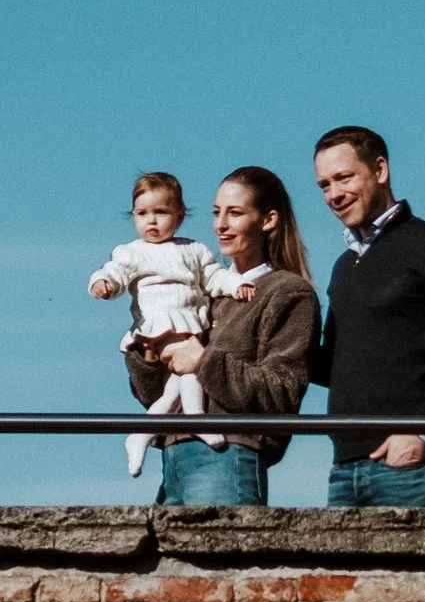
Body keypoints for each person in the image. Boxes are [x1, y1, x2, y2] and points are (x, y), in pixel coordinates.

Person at [311, 125, 425, 510]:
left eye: (343, 178)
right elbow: (332, 365)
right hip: (343, 470)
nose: (334, 195)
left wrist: (421, 431)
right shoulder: (344, 266)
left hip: (412, 472)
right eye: (324, 185)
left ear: (380, 170)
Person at [127, 164, 319, 508]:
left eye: (235, 213)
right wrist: (147, 355)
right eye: (217, 213)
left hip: (230, 453)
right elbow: (153, 395)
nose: (220, 225)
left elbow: (282, 394)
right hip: (172, 457)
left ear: (268, 220)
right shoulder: (199, 291)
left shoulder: (287, 292)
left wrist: (203, 361)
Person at [90, 172, 230, 479]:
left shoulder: (194, 250)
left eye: (160, 212)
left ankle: (141, 433)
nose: (150, 221)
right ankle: (196, 420)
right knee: (190, 370)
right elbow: (116, 272)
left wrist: (235, 284)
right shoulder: (134, 251)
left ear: (179, 215)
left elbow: (214, 276)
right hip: (158, 326)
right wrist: (104, 283)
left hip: (187, 323)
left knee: (173, 390)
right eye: (142, 214)